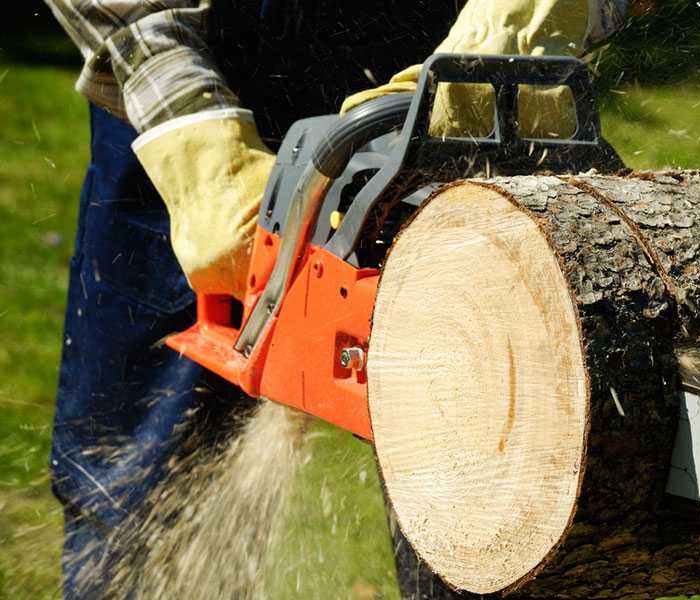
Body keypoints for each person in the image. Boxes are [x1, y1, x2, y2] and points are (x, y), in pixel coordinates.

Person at [43, 0, 631, 596]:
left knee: (496, 524)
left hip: (459, 87)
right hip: (187, 82)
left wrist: (523, 20)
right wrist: (196, 147)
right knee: (145, 504)